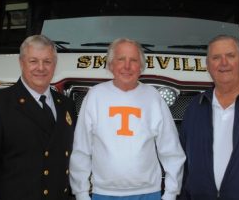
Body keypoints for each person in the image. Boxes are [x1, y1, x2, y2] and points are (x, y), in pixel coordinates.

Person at [69, 38, 186, 200]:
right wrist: (81, 192)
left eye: (133, 60)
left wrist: (171, 193)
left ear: (141, 66)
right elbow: (81, 148)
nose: (127, 66)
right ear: (110, 65)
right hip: (103, 193)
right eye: (121, 59)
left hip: (148, 193)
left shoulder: (153, 97)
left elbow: (171, 148)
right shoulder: (95, 96)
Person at [0, 35, 76, 200]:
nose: (41, 68)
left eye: (47, 61)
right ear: (21, 63)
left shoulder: (66, 105)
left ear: (54, 65)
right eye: (33, 61)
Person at [180, 34, 239, 199]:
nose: (223, 63)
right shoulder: (195, 108)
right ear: (207, 65)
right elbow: (185, 167)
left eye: (230, 56)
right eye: (216, 58)